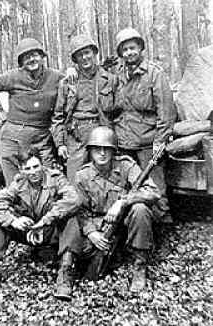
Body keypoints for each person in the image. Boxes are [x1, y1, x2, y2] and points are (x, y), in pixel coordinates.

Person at [55, 126, 161, 298]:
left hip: (124, 223)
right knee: (70, 215)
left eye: (107, 149)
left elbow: (154, 192)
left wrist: (123, 201)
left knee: (140, 209)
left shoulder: (127, 166)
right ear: (90, 151)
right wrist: (91, 233)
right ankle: (65, 273)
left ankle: (140, 267)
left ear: (114, 151)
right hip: (96, 227)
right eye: (97, 149)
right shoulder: (82, 175)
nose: (102, 153)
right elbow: (78, 209)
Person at [0, 147, 80, 296]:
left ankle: (65, 274)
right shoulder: (19, 183)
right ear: (21, 169)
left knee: (72, 219)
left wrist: (47, 220)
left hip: (51, 231)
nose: (33, 172)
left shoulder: (56, 178)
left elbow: (74, 200)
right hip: (28, 232)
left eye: (36, 166)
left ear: (42, 165)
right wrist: (14, 220)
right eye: (28, 168)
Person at [0, 38, 64, 185]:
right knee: (15, 183)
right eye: (26, 57)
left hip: (42, 136)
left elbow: (71, 84)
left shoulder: (56, 77)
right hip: (14, 135)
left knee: (48, 181)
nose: (31, 59)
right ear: (21, 62)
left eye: (35, 55)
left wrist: (71, 71)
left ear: (42, 57)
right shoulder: (13, 76)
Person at [114, 28, 176, 221]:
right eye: (125, 49)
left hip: (148, 143)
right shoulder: (117, 75)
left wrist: (160, 141)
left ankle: (162, 226)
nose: (129, 53)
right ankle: (135, 230)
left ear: (140, 48)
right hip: (124, 142)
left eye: (133, 48)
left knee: (155, 190)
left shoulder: (154, 74)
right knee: (126, 189)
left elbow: (166, 112)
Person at [51, 34, 120, 182]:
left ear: (94, 53)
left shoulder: (110, 80)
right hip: (76, 136)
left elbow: (118, 112)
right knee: (75, 180)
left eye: (87, 53)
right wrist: (60, 144)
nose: (84, 58)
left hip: (102, 132)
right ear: (75, 59)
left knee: (105, 178)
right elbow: (58, 116)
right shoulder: (67, 83)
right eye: (79, 55)